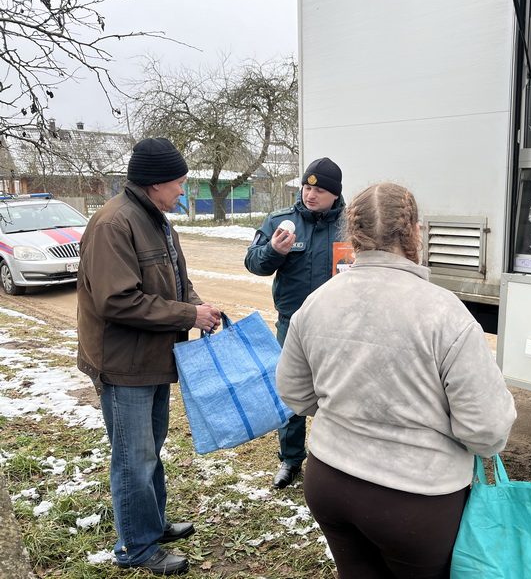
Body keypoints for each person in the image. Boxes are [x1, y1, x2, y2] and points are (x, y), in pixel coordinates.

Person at [276, 183, 517, 579]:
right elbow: (487, 430)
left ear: (353, 234)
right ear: (415, 232)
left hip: (330, 480)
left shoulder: (318, 300)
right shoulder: (445, 313)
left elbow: (294, 391)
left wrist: (348, 412)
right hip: (417, 502)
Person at [77, 137, 221, 575]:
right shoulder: (113, 224)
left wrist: (197, 307)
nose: (183, 190)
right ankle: (136, 548)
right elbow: (117, 301)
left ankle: (151, 526)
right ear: (156, 183)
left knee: (149, 452)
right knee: (133, 458)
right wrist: (188, 314)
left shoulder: (155, 219)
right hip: (123, 365)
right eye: (179, 182)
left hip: (153, 359)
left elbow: (176, 280)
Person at [244, 156, 345, 489]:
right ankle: (290, 459)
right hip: (293, 324)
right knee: (290, 391)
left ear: (335, 194)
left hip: (340, 325)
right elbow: (253, 262)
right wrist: (273, 250)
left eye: (319, 190)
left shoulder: (352, 225)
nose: (310, 195)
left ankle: (337, 460)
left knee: (340, 392)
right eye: (306, 187)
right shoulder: (281, 221)